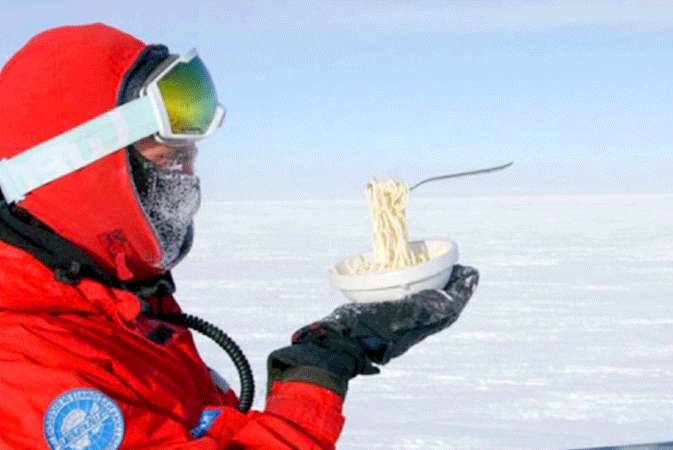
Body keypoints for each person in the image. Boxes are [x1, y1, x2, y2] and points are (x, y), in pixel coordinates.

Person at [0, 23, 479, 449]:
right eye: (168, 159)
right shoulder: (24, 371)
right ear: (74, 174)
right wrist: (319, 371)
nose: (188, 178)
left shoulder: (108, 301)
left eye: (190, 156)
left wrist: (329, 345)